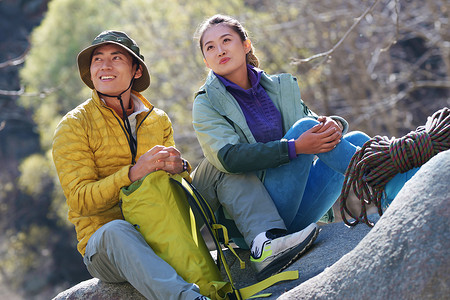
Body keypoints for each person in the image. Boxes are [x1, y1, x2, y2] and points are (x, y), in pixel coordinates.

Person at [190, 14, 378, 280]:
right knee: (302, 132)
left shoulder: (278, 86)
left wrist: (335, 124)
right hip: (257, 220)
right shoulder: (206, 103)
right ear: (206, 60)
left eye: (226, 40)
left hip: (297, 208)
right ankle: (390, 179)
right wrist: (294, 148)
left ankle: (386, 179)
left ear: (246, 45)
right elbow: (229, 158)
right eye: (210, 47)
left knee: (356, 138)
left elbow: (314, 125)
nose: (219, 50)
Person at [52, 30, 209, 300]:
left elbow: (177, 189)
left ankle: (262, 244)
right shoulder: (73, 125)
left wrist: (180, 169)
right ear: (90, 72)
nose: (105, 66)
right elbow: (80, 201)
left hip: (162, 228)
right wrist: (134, 173)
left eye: (116, 58)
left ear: (136, 70)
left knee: (218, 168)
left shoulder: (158, 119)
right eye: (97, 59)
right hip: (106, 247)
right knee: (116, 230)